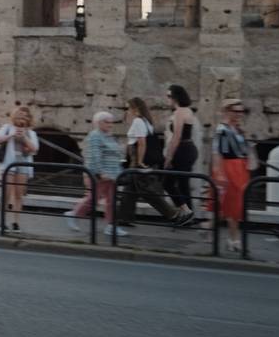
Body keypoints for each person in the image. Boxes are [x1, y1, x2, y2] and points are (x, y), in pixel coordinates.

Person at [116, 97, 183, 226]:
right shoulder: (146, 121)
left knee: (146, 190)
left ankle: (173, 213)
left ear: (135, 109)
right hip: (136, 158)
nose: (127, 111)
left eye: (128, 108)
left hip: (137, 158)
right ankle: (124, 218)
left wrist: (140, 161)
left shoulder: (138, 121)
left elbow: (142, 143)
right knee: (130, 188)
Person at [69, 112, 126, 236]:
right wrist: (100, 173)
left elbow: (114, 154)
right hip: (102, 174)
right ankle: (73, 215)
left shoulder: (108, 136)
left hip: (112, 174)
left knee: (111, 200)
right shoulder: (95, 135)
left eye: (111, 122)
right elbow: (95, 156)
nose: (110, 125)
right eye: (107, 122)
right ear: (98, 123)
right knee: (94, 199)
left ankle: (111, 226)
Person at [211, 99, 252, 252]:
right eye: (236, 111)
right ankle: (234, 239)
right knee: (232, 205)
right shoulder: (223, 130)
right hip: (229, 169)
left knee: (231, 206)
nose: (239, 114)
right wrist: (220, 173)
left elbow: (244, 150)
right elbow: (217, 153)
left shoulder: (238, 128)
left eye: (241, 111)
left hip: (241, 168)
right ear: (228, 111)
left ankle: (207, 226)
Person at [0, 106, 39, 233]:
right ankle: (1, 221)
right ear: (14, 116)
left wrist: (24, 137)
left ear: (28, 119)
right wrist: (11, 135)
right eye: (20, 115)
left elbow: (34, 149)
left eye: (25, 116)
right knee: (6, 195)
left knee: (18, 195)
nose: (22, 118)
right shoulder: (7, 128)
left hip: (23, 165)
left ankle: (15, 222)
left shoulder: (31, 133)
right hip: (8, 164)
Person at [163, 84, 199, 223]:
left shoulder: (179, 112)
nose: (168, 99)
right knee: (183, 183)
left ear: (175, 97)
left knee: (167, 183)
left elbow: (176, 137)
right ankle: (189, 215)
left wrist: (169, 157)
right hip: (189, 149)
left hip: (182, 150)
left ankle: (187, 211)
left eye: (169, 96)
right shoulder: (188, 110)